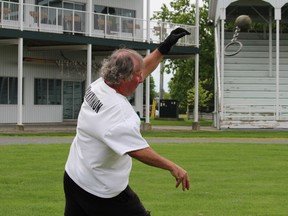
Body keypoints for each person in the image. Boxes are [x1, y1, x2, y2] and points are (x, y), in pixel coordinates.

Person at [64, 28, 191, 216]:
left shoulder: (99, 84)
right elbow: (137, 150)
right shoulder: (118, 112)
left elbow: (143, 68)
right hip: (102, 191)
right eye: (137, 75)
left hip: (74, 177)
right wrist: (172, 166)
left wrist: (164, 47)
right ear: (122, 78)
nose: (141, 79)